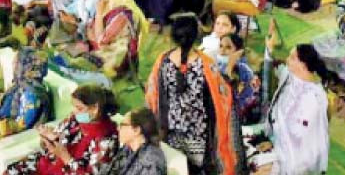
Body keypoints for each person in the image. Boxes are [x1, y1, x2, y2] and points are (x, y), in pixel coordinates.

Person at [146, 13, 243, 175]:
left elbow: (152, 96)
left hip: (170, 134)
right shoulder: (206, 64)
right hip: (198, 137)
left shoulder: (162, 61)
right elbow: (223, 95)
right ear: (196, 36)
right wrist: (230, 72)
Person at [5, 84, 119, 175]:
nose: (74, 111)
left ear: (95, 109)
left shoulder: (106, 140)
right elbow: (51, 147)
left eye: (79, 108)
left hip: (67, 170)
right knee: (12, 170)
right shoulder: (74, 119)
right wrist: (50, 138)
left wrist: (66, 158)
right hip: (48, 164)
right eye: (74, 107)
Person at [260, 44, 329, 175]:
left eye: (292, 58)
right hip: (279, 151)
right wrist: (269, 48)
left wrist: (276, 163)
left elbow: (299, 141)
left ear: (303, 65)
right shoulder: (290, 77)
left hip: (297, 164)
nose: (287, 60)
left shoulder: (314, 99)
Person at [100, 107, 167, 175]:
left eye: (122, 125)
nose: (118, 128)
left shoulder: (151, 161)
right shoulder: (127, 149)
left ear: (136, 130)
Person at [0, 48, 51, 137]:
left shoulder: (33, 94)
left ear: (28, 67)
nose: (13, 65)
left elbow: (22, 125)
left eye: (17, 62)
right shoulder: (17, 87)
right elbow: (4, 112)